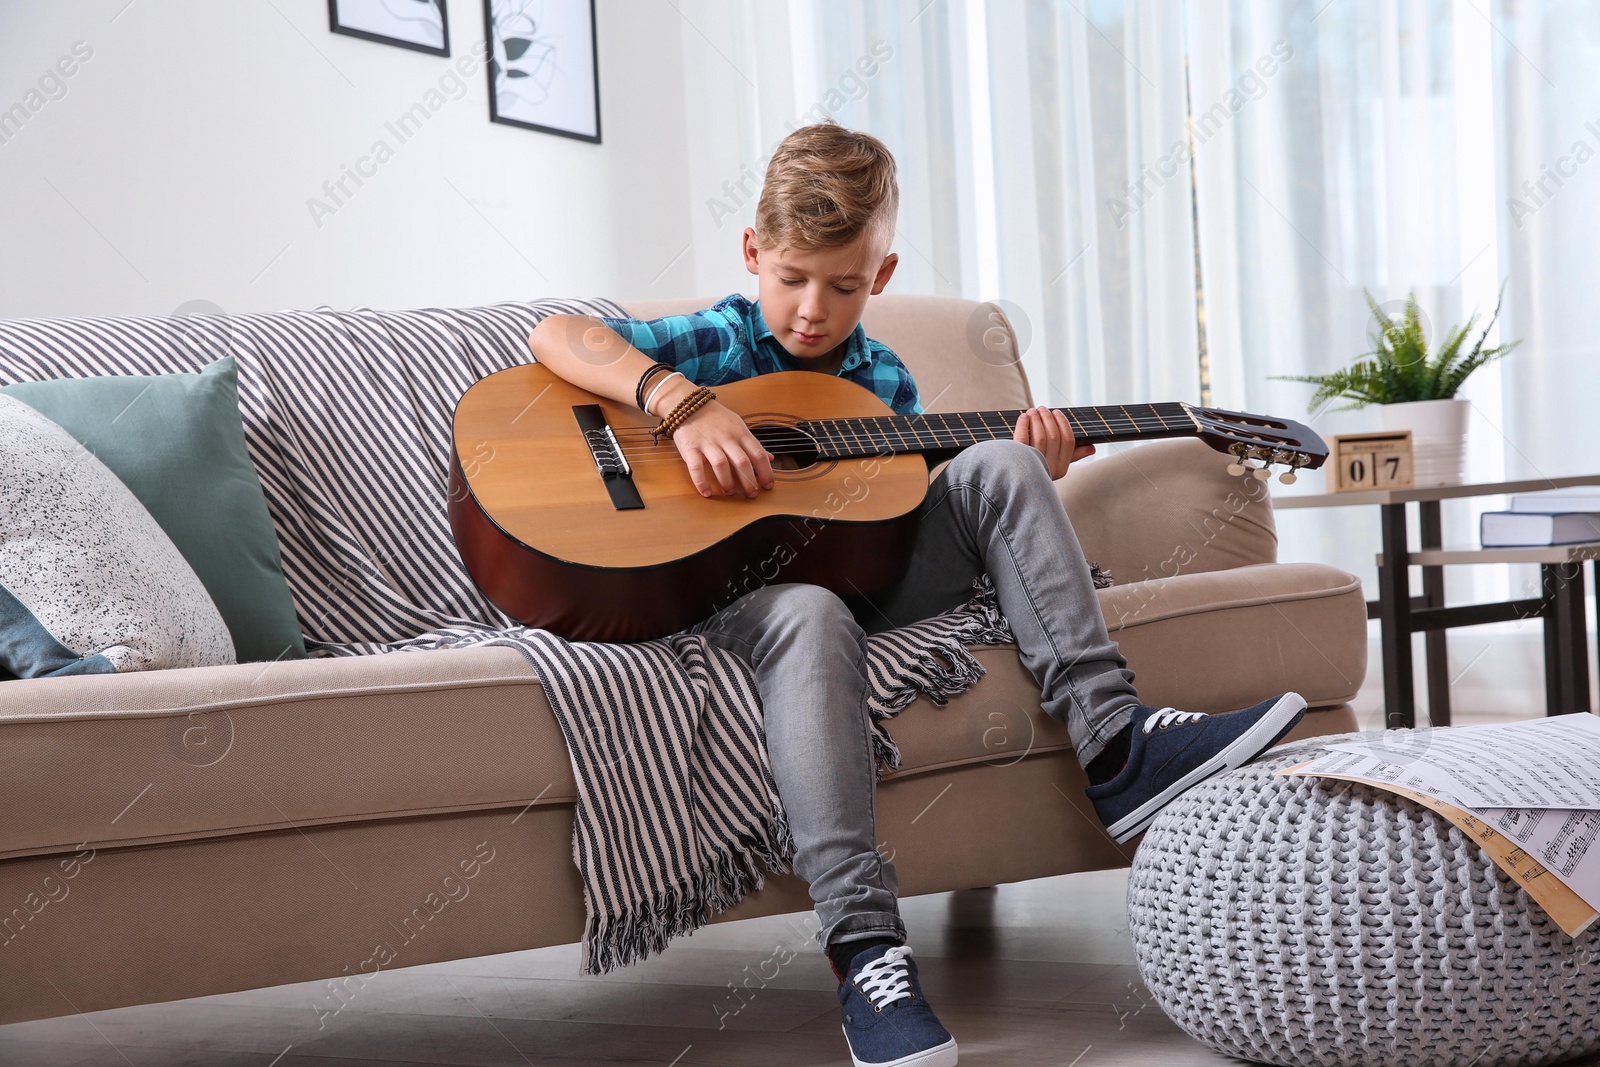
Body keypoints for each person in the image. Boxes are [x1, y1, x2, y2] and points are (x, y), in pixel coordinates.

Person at [527, 121, 1305, 1067]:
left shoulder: (881, 383)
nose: (813, 310)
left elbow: (898, 516)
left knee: (999, 460)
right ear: (752, 255)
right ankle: (865, 950)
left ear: (881, 277)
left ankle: (1119, 749)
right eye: (793, 278)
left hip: (857, 577)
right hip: (719, 594)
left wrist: (1033, 461)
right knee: (806, 610)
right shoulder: (711, 340)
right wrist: (678, 400)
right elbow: (556, 335)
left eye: (845, 286)